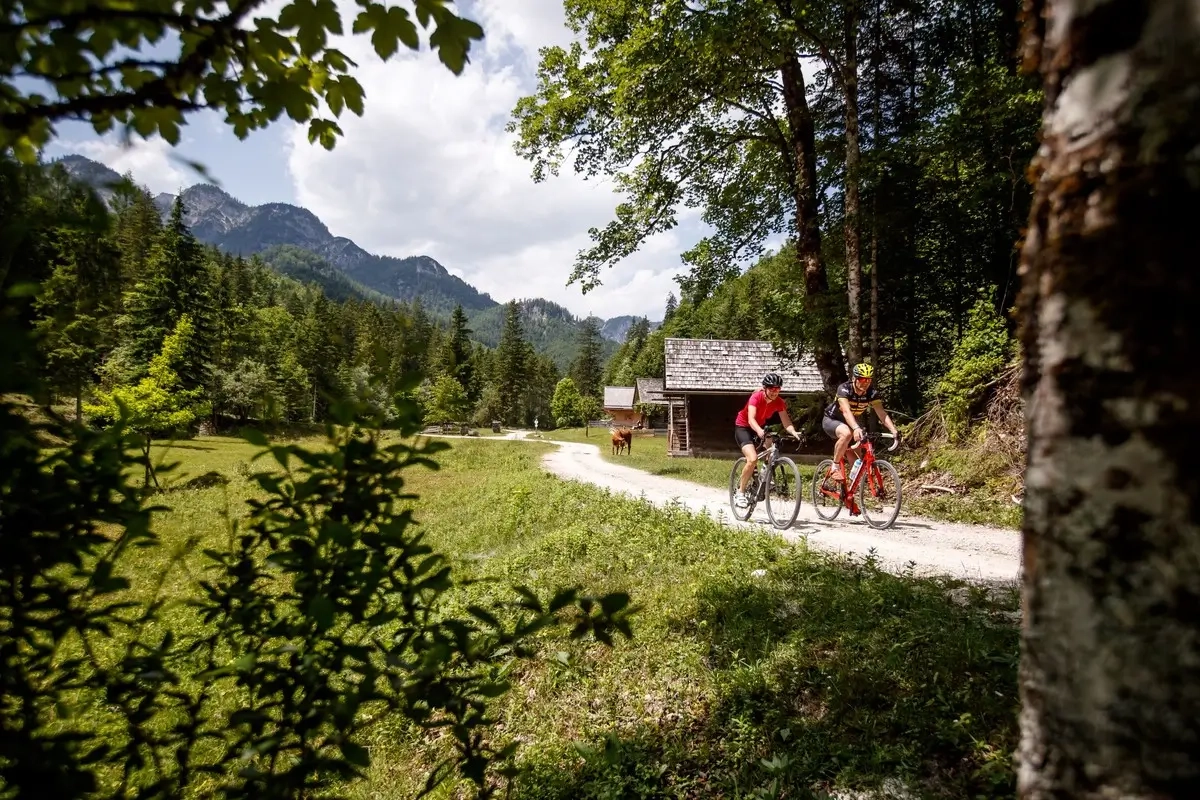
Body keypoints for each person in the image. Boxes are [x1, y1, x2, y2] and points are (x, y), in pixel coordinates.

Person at [733, 372, 801, 508]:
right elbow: (751, 419)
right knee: (752, 459)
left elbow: (786, 422)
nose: (775, 392)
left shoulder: (779, 402)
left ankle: (764, 475)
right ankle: (740, 493)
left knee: (771, 446)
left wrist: (794, 432)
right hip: (744, 426)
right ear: (765, 388)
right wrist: (759, 432)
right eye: (772, 389)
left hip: (760, 427)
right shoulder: (756, 397)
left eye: (778, 389)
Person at [822, 362, 899, 482]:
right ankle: (834, 467)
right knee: (846, 433)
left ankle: (851, 491)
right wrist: (856, 428)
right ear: (854, 378)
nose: (865, 383)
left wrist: (894, 430)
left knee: (859, 450)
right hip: (832, 419)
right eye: (862, 379)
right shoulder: (844, 389)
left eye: (868, 380)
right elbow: (846, 412)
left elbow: (882, 413)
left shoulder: (872, 393)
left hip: (851, 422)